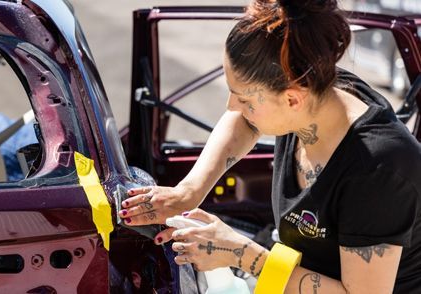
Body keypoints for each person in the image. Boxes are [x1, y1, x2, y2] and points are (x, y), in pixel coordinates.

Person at [119, 0, 421, 292]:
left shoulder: (379, 170)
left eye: (245, 99)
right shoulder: (313, 88)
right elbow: (244, 121)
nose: (231, 106)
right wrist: (188, 192)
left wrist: (240, 254)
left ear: (292, 99)